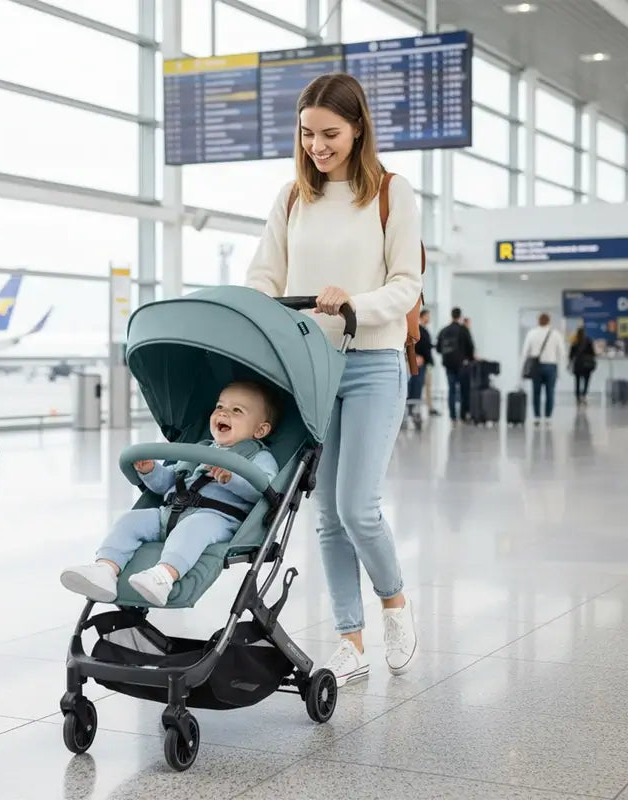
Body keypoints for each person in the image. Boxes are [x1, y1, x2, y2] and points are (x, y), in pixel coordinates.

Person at [244, 72, 421, 685]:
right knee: (323, 514)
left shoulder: (391, 194)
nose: (317, 146)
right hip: (311, 369)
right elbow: (265, 274)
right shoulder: (293, 198)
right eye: (306, 133)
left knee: (357, 507)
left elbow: (406, 285)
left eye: (330, 134)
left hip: (371, 362)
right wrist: (256, 308)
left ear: (358, 128)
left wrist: (354, 305)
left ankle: (394, 602)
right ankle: (352, 639)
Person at [60, 381, 280, 607]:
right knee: (129, 521)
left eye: (237, 410)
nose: (223, 413)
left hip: (216, 519)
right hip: (170, 512)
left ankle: (163, 576)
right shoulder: (199, 449)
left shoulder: (259, 457)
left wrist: (233, 478)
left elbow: (265, 491)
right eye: (219, 406)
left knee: (193, 528)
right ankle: (105, 569)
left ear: (260, 430)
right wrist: (151, 471)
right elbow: (170, 483)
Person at [521, 312, 566, 426]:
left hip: (536, 366)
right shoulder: (555, 334)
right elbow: (562, 353)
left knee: (536, 392)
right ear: (549, 321)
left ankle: (536, 417)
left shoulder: (532, 333)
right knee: (550, 392)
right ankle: (548, 418)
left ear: (538, 321)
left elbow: (525, 351)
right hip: (551, 366)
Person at [437, 308, 475, 423]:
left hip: (449, 365)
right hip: (462, 365)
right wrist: (469, 358)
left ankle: (452, 416)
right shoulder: (464, 330)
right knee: (464, 390)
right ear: (460, 316)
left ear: (451, 315)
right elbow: (470, 347)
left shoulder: (444, 330)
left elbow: (439, 348)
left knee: (451, 390)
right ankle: (463, 415)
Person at [407, 308, 434, 422]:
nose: (429, 318)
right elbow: (415, 344)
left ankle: (413, 409)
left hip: (422, 362)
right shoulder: (417, 329)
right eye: (428, 316)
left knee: (418, 385)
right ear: (423, 316)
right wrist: (416, 356)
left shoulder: (423, 330)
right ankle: (412, 410)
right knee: (415, 385)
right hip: (417, 362)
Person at [569, 326, 596, 406]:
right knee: (586, 381)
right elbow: (593, 353)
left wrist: (571, 361)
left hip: (578, 363)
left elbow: (571, 355)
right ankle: (584, 395)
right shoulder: (588, 341)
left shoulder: (574, 341)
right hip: (587, 364)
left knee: (577, 381)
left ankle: (577, 397)